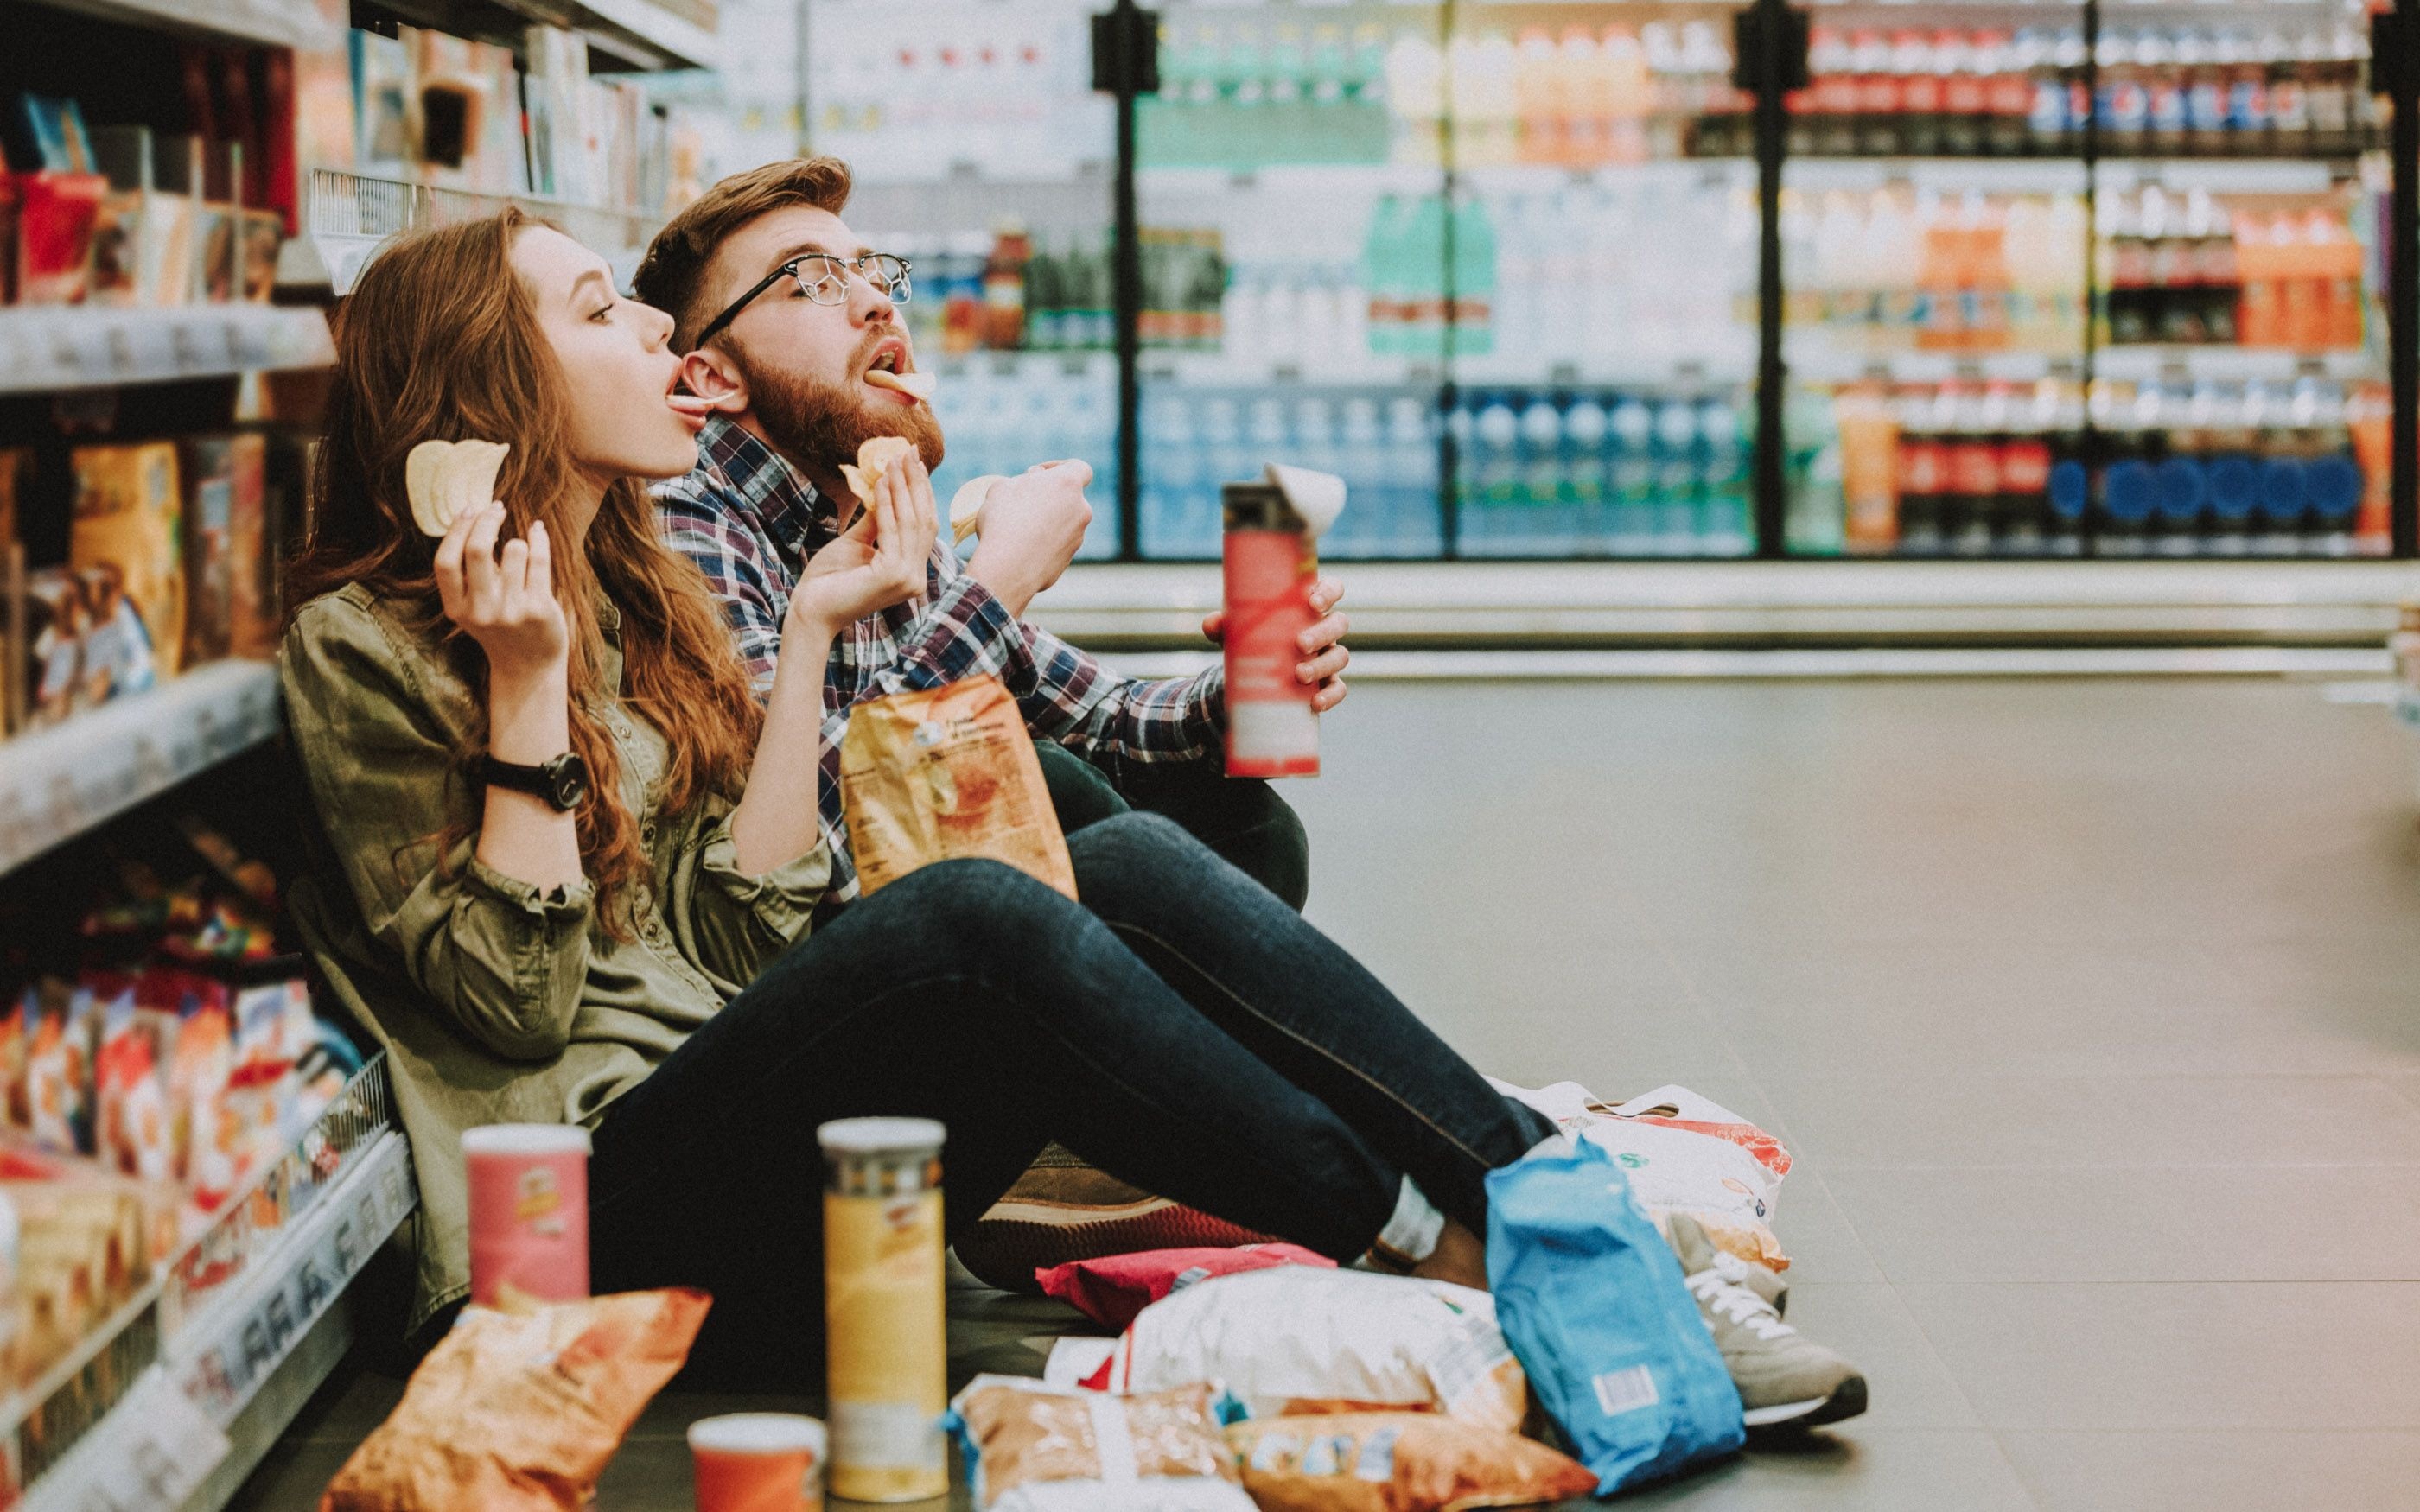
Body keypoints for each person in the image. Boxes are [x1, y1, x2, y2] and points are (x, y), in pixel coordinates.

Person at [280, 207, 1548, 1381]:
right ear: (491, 383)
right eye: (604, 311)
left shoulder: (628, 592)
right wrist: (523, 691)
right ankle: (1428, 1244)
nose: (655, 329)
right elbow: (518, 1001)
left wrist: (817, 629)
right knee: (977, 912)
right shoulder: (365, 647)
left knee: (1117, 861)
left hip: (748, 1127)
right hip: (572, 1233)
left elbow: (746, 930)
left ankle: (1537, 1195)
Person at [635, 158, 1335, 913]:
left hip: (940, 928)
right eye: (812, 280)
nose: (876, 303)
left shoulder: (872, 506)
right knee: (1052, 783)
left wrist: (1233, 694)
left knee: (1247, 827)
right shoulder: (687, 519)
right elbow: (802, 859)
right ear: (713, 378)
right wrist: (998, 582)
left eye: (870, 272)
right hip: (825, 966)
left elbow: (1102, 717)